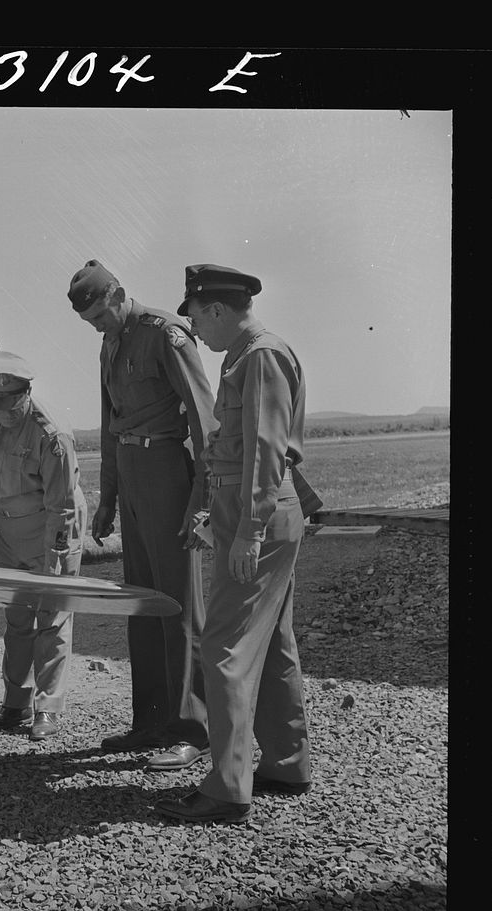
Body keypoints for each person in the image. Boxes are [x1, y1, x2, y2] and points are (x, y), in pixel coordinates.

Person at [155, 263, 313, 825]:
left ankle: (226, 789)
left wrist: (248, 530)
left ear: (217, 308)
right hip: (245, 509)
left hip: (258, 516)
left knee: (223, 647)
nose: (196, 330)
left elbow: (265, 453)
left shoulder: (261, 355)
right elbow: (235, 447)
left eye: (196, 316)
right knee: (271, 644)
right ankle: (287, 763)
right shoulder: (246, 357)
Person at [67, 259, 219, 770]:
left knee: (179, 606)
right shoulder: (108, 343)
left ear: (119, 295)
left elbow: (205, 424)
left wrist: (202, 503)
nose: (98, 328)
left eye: (101, 318)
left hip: (167, 477)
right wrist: (107, 498)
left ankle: (193, 730)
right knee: (141, 604)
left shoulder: (164, 334)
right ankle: (150, 721)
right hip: (132, 478)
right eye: (89, 324)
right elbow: (112, 425)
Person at [0, 350, 88, 741]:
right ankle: (15, 703)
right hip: (8, 530)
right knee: (16, 618)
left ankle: (47, 710)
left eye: (13, 404)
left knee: (52, 616)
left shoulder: (51, 434)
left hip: (51, 526)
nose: (5, 413)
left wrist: (57, 560)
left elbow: (61, 507)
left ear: (27, 393)